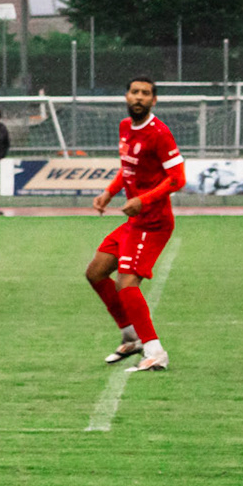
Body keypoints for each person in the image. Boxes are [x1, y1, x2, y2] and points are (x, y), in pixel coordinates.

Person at [86, 76, 184, 372]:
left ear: (154, 100)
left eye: (145, 94)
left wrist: (144, 200)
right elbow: (127, 168)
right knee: (96, 272)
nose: (138, 97)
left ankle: (155, 352)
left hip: (153, 223)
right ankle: (131, 337)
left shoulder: (159, 133)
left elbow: (178, 179)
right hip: (134, 222)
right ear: (126, 96)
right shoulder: (125, 127)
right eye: (134, 92)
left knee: (126, 282)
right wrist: (109, 192)